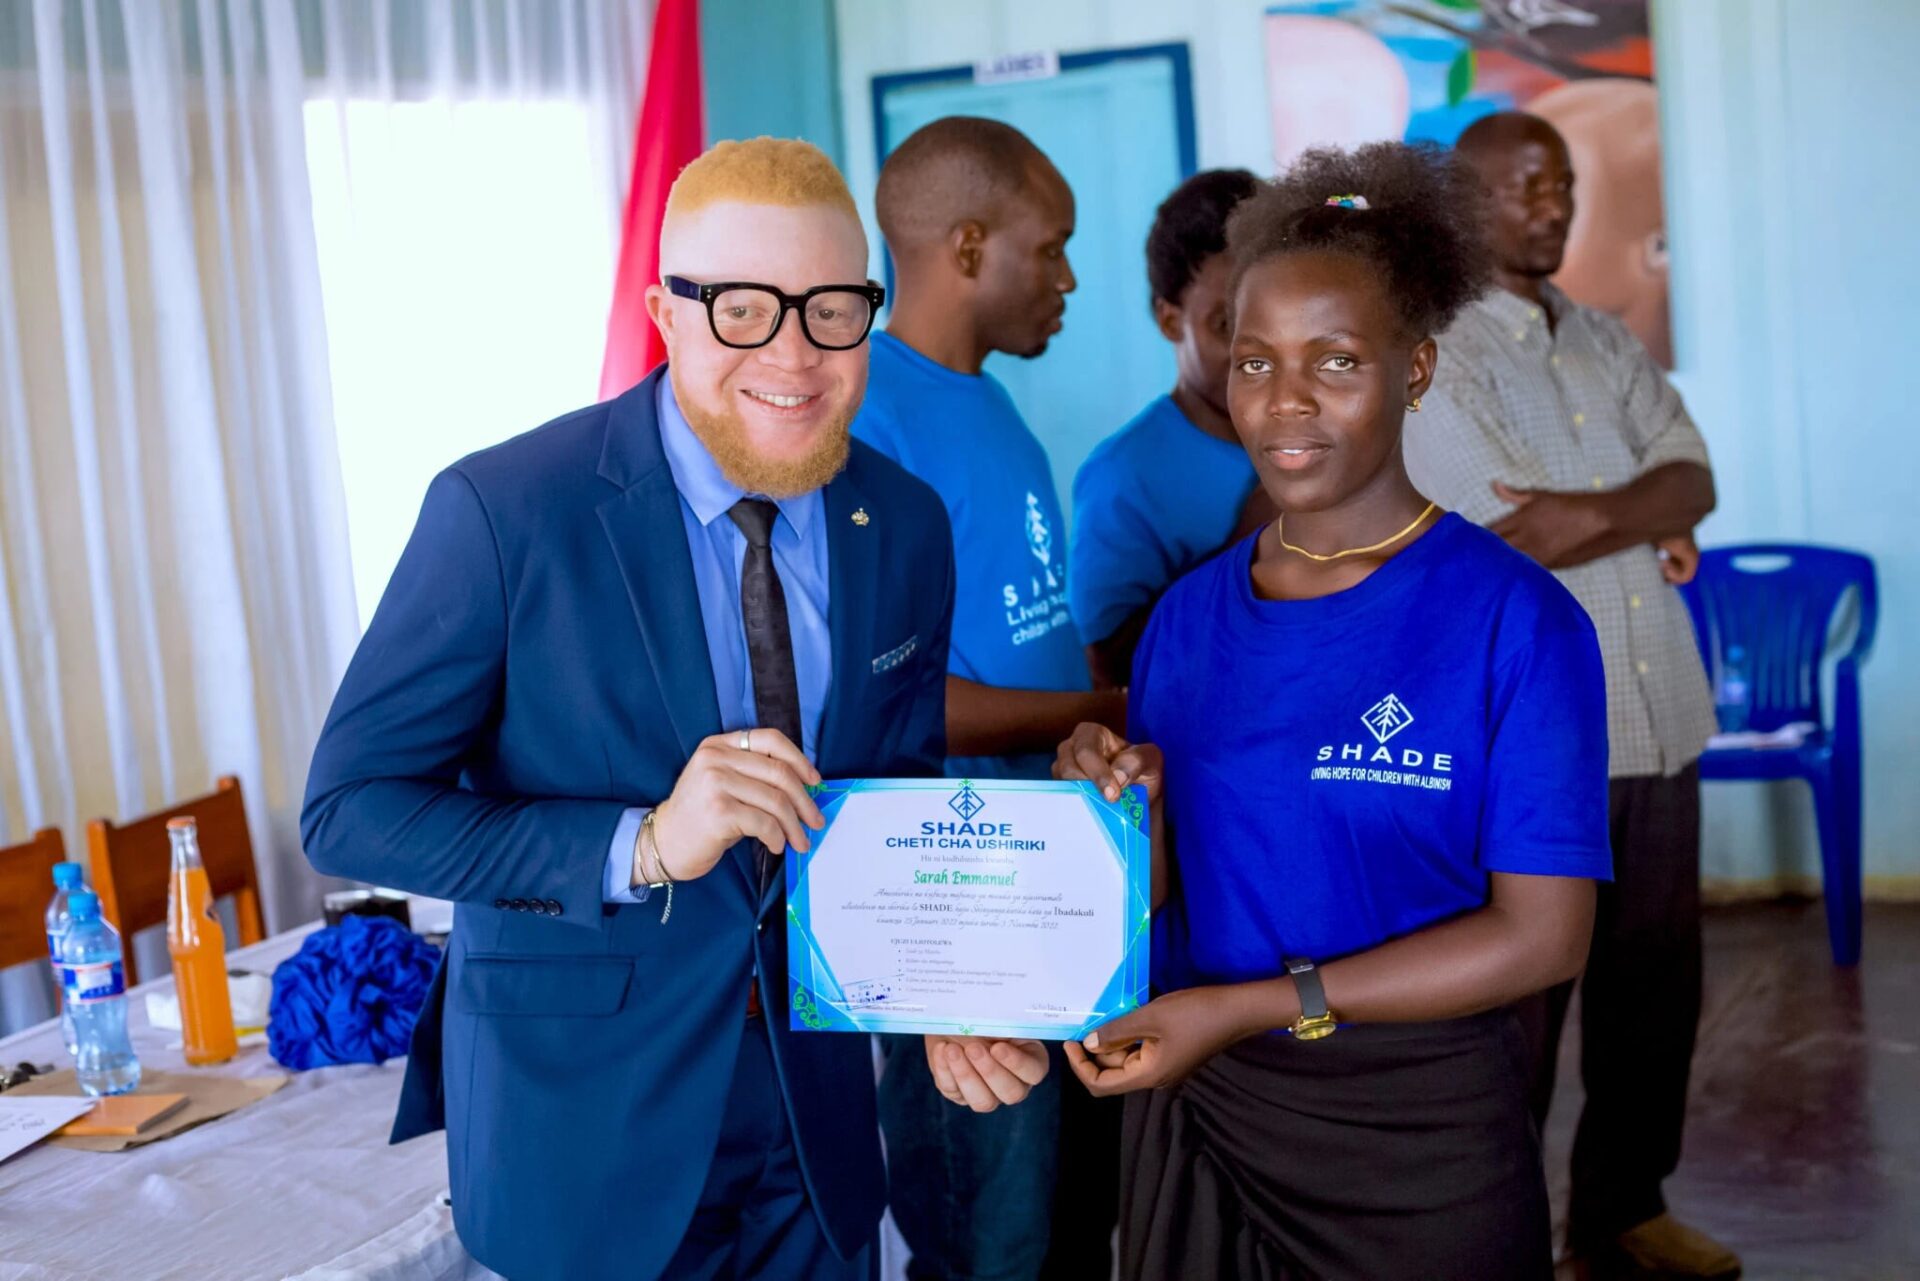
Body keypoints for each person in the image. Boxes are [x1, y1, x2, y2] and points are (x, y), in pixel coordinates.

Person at [301, 137, 1047, 1281]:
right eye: (743, 309)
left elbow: (889, 796)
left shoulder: (901, 522)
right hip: (585, 1130)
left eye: (833, 309)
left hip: (819, 1126)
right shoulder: (505, 514)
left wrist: (937, 988)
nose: (793, 355)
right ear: (664, 311)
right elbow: (348, 810)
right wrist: (640, 845)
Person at [1057, 140, 1612, 1280]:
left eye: (1337, 361)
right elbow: (1176, 891)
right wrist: (1115, 805)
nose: (1287, 402)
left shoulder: (1518, 623)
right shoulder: (1186, 620)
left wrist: (1256, 1007)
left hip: (1417, 1142)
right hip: (1208, 1108)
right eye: (1255, 363)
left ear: (1414, 370)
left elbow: (1545, 937)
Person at [1403, 110, 1733, 1280]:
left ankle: (1621, 1214)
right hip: (1536, 746)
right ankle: (1497, 1239)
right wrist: (1642, 514)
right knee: (1520, 1010)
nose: (1555, 203)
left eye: (1564, 182)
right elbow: (1506, 536)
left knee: (1654, 991)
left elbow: (1696, 472)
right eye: (1526, 184)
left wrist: (1606, 509)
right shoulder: (1434, 347)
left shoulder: (1603, 337)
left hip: (1659, 717)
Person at [849, 116, 1126, 1281]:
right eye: (1050, 247)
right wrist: (1103, 708)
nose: (1067, 278)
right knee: (986, 1239)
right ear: (967, 247)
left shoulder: (990, 404)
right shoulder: (871, 418)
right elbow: (887, 706)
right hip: (957, 901)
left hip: (1053, 869)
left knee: (1074, 1218)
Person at [1070, 168, 1264, 689]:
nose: (1256, 351)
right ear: (1169, 320)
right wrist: (1255, 538)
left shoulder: (1321, 433)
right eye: (1225, 325)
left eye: (1271, 319)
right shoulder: (1123, 476)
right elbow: (1109, 667)